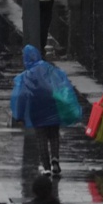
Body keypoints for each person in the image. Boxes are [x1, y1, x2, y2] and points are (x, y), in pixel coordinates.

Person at [11, 45, 81, 177]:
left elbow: (21, 97)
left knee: (41, 137)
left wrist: (19, 116)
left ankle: (46, 167)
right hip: (52, 107)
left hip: (36, 111)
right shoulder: (49, 69)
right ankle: (55, 159)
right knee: (54, 134)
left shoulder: (26, 76)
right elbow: (61, 83)